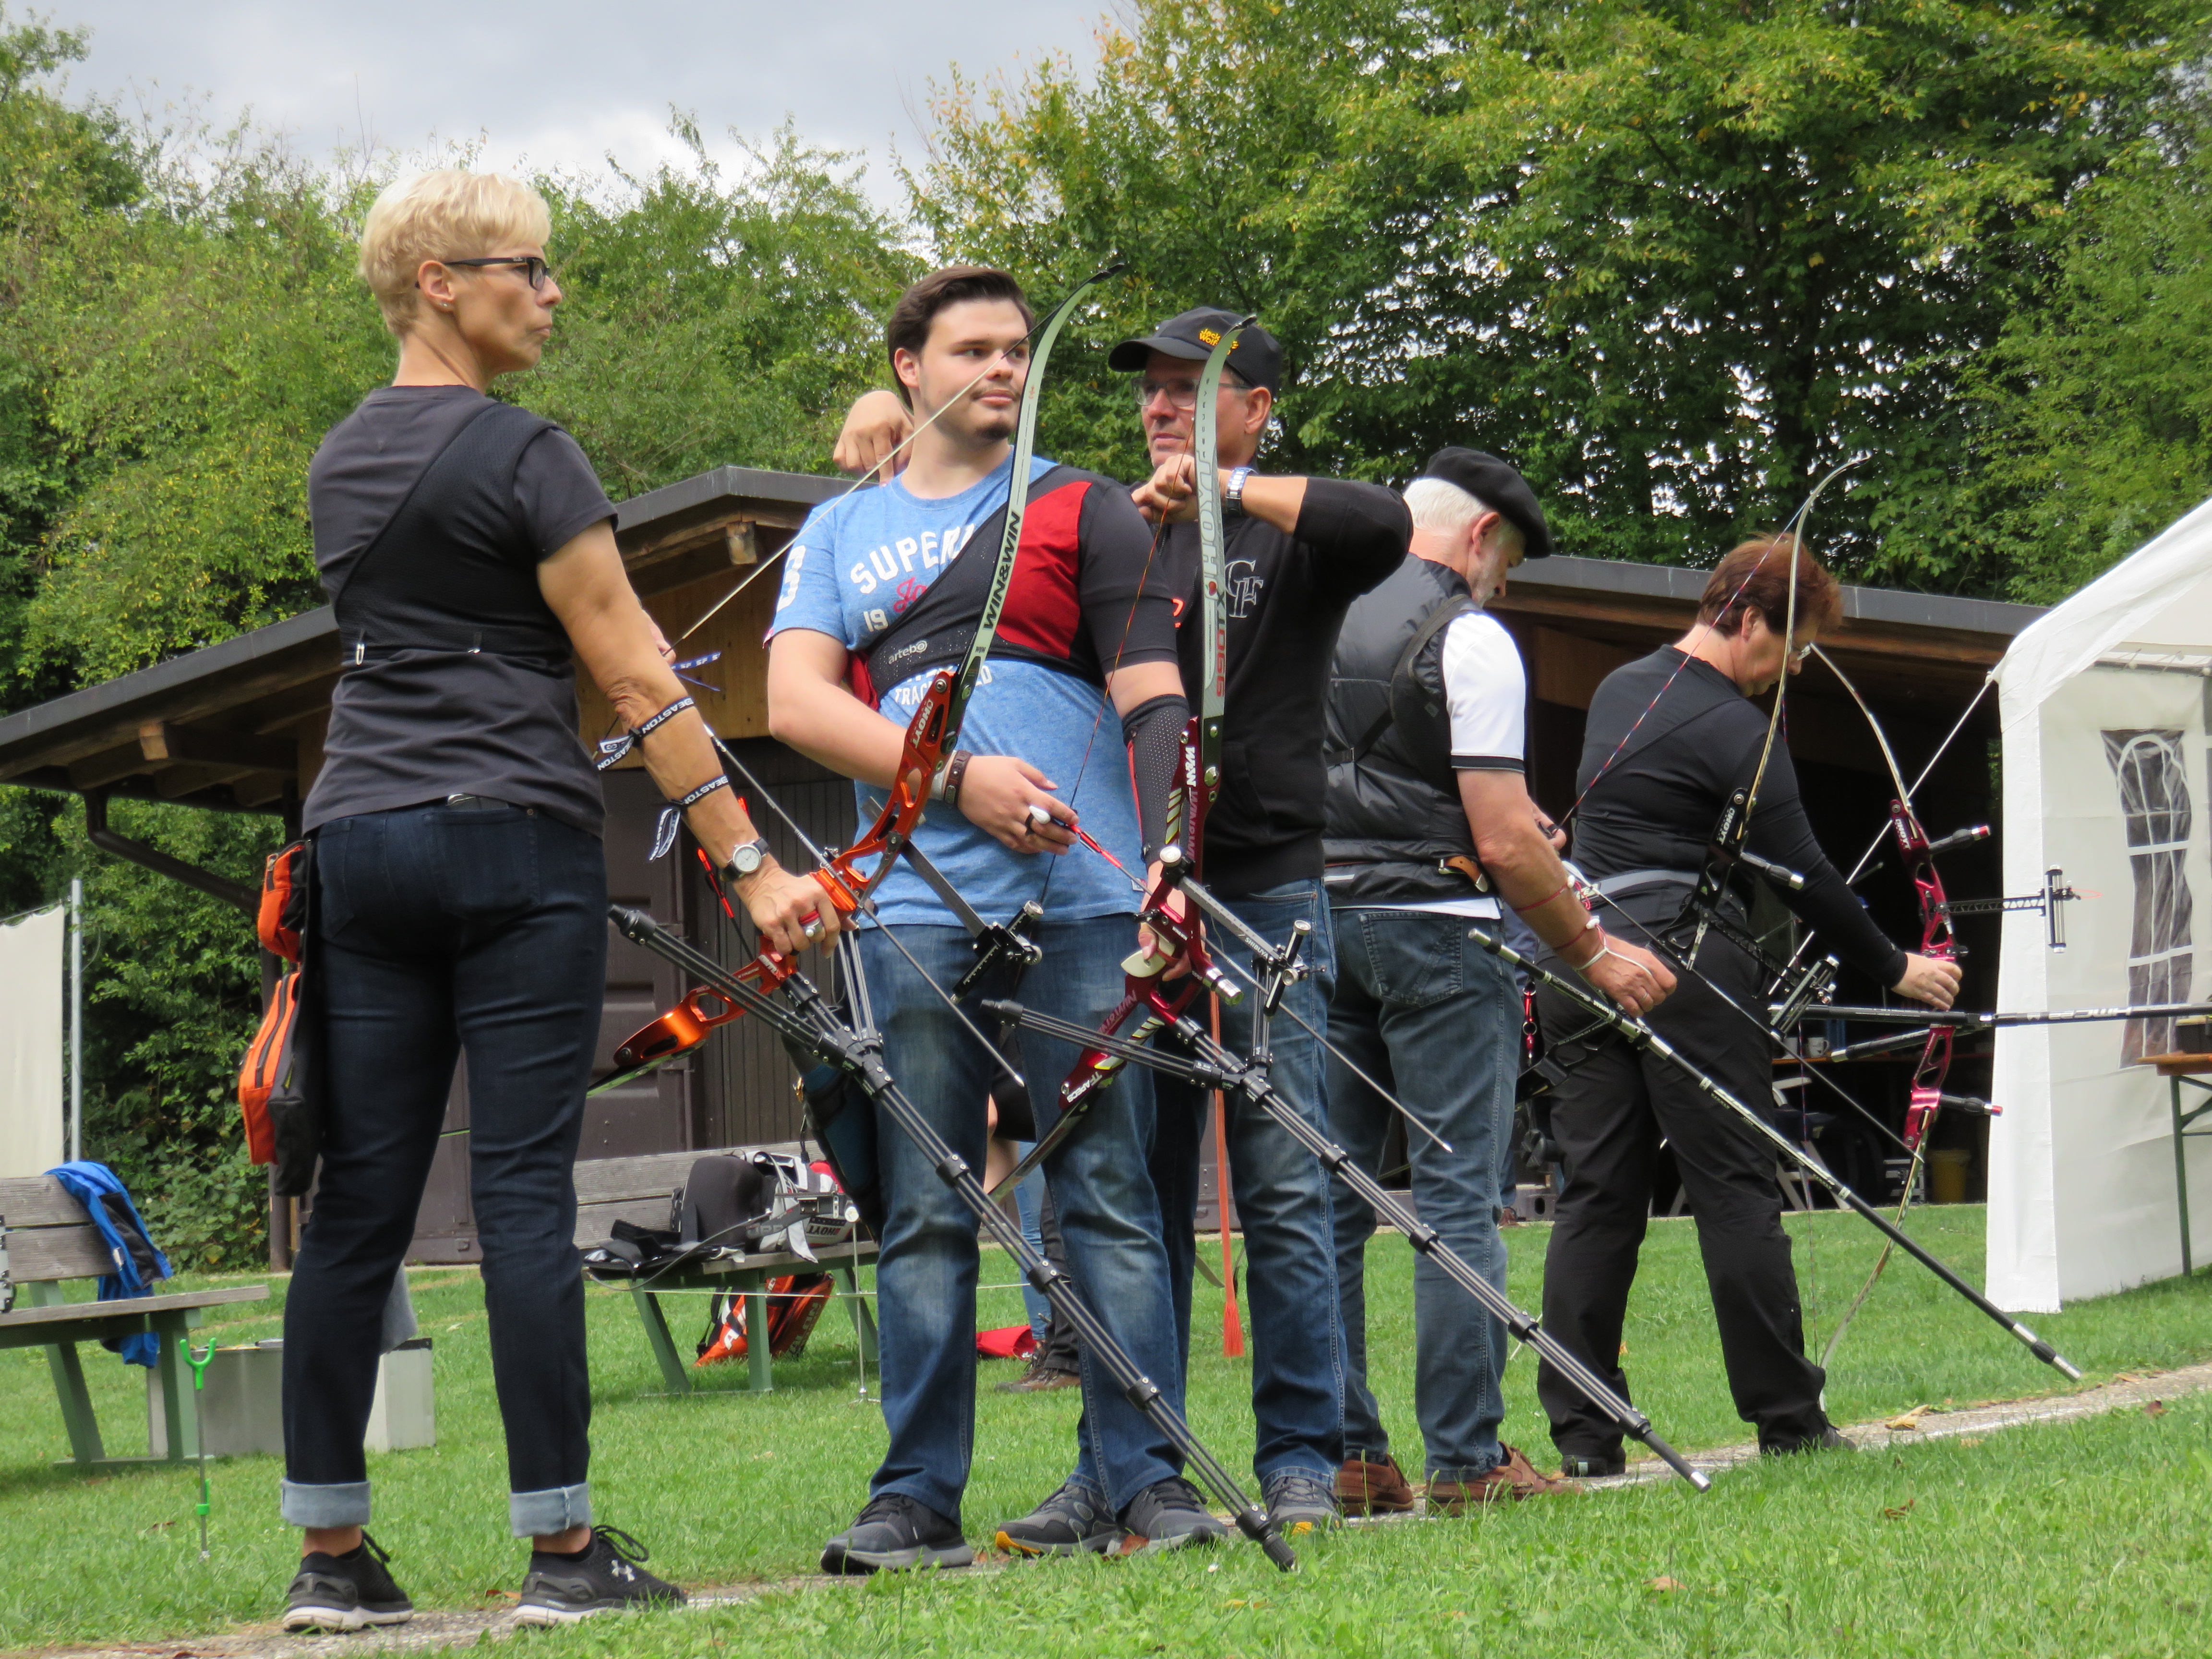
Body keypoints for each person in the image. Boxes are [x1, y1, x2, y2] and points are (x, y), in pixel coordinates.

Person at [281, 169, 830, 1633]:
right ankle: (564, 1554)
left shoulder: (339, 460)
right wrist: (751, 865)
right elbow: (638, 674)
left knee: (360, 1202)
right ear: (439, 282)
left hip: (355, 839)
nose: (551, 289)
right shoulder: (531, 454)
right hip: (509, 840)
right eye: (525, 266)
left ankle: (330, 1560)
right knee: (523, 1193)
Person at [834, 307, 1410, 1542]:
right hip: (1120, 885)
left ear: (1256, 409)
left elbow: (1388, 525)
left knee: (1282, 1179)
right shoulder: (1115, 521)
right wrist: (898, 426)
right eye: (1151, 389)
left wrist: (1226, 489)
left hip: (1256, 882)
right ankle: (1126, 1471)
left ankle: (1303, 1459)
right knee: (1125, 1186)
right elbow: (950, 561)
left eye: (1192, 390)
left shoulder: (1280, 527)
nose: (1161, 408)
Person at [768, 266, 1208, 1571]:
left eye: (1018, 349)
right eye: (974, 350)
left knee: (1109, 1187)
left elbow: (1152, 695)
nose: (1006, 369)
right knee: (926, 1201)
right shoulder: (839, 531)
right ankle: (915, 1499)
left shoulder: (1081, 506)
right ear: (909, 367)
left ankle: (1144, 1485)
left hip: (1084, 893)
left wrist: (1168, 854)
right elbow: (797, 703)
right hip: (911, 894)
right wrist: (960, 780)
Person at [1535, 536, 1961, 1472]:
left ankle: (1585, 1438)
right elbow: (1804, 874)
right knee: (1735, 1189)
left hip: (1582, 955)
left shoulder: (1618, 688)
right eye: (1795, 644)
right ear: (1754, 620)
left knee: (1597, 1195)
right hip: (1685, 964)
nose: (1795, 667)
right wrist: (1896, 966)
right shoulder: (1740, 732)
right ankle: (1790, 1422)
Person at [1320, 449, 1675, 1516]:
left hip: (1315, 926)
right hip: (1438, 934)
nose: (1503, 588)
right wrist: (1594, 953)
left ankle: (1347, 1455)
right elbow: (1507, 845)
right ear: (1477, 537)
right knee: (1457, 1202)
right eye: (1507, 565)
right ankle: (1466, 1459)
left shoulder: (1311, 610)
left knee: (1326, 1204)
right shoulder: (1469, 636)